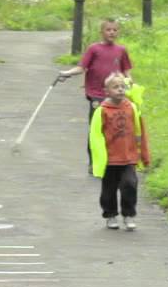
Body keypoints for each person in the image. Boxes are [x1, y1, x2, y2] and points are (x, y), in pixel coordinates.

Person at [58, 19, 133, 172]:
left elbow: (127, 72)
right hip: (96, 95)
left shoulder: (121, 50)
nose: (112, 32)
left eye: (114, 30)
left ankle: (113, 161)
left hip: (116, 97)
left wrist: (130, 83)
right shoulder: (94, 49)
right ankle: (94, 162)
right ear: (102, 32)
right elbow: (81, 68)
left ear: (118, 32)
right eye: (108, 30)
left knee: (115, 129)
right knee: (96, 129)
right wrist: (66, 74)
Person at [88, 73, 151, 231]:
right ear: (106, 91)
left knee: (130, 184)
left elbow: (140, 131)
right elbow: (95, 136)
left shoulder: (131, 107)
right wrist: (99, 159)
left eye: (122, 86)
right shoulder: (102, 111)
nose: (120, 89)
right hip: (110, 158)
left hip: (129, 156)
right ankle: (110, 215)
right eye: (115, 87)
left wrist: (143, 155)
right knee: (108, 190)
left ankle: (129, 214)